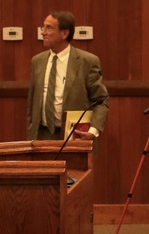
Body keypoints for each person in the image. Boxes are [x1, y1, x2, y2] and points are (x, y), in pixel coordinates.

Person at [26, 11, 109, 141]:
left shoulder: (87, 61)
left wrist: (93, 131)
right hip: (41, 136)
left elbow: (101, 101)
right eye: (43, 27)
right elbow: (31, 101)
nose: (43, 32)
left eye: (49, 28)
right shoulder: (37, 61)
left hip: (74, 136)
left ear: (64, 33)